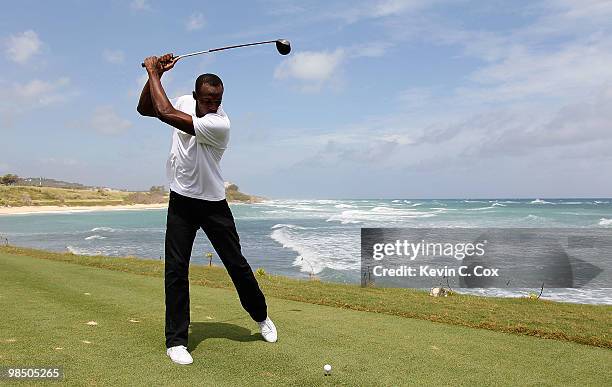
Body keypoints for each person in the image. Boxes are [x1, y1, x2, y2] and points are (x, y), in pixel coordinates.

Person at [137, 54, 277, 365]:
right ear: (197, 95)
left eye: (218, 99)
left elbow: (163, 111)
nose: (214, 104)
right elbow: (146, 108)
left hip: (214, 204)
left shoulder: (219, 123)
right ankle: (176, 341)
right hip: (182, 201)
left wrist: (152, 71)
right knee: (175, 270)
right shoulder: (185, 102)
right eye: (209, 99)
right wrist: (155, 76)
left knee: (236, 265)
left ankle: (261, 316)